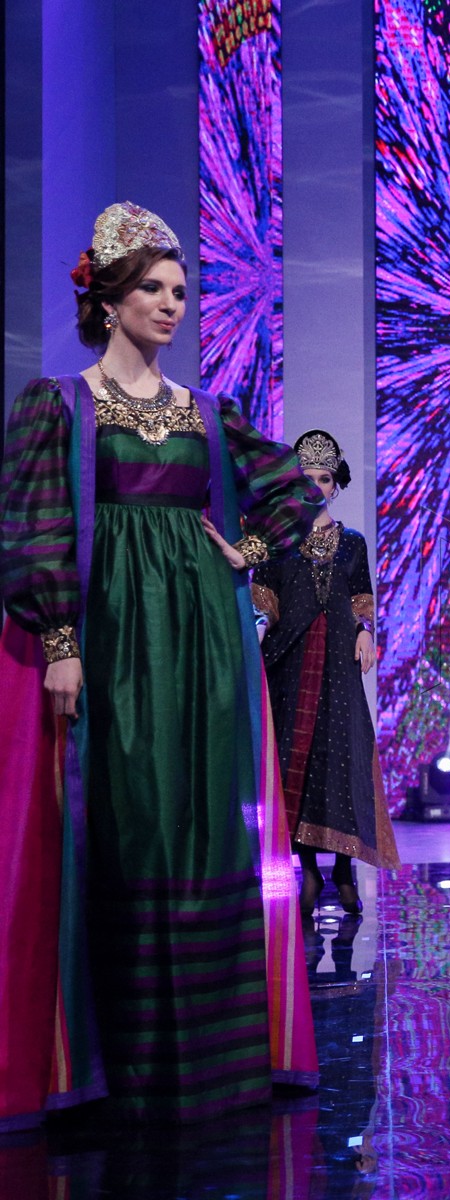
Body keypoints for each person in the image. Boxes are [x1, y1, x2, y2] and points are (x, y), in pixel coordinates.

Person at [0, 202, 321, 1126]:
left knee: (204, 819)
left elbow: (292, 490)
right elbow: (33, 526)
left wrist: (248, 551)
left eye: (181, 290)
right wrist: (61, 642)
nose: (173, 304)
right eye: (153, 288)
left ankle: (207, 1065)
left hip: (203, 639)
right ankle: (121, 1063)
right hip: (110, 636)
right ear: (109, 299)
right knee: (127, 820)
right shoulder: (60, 404)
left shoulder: (206, 413)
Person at [252, 428, 399, 916]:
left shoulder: (352, 542)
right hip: (290, 663)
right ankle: (311, 872)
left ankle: (345, 871)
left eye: (324, 478)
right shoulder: (278, 541)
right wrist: (255, 634)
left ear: (336, 485)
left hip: (337, 664)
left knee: (341, 762)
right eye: (306, 478)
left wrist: (365, 630)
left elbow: (360, 599)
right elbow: (264, 601)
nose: (315, 487)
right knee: (297, 762)